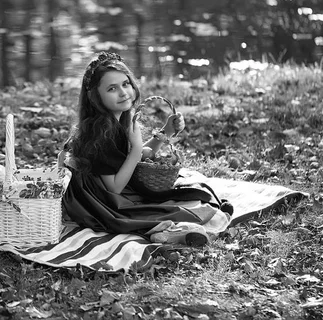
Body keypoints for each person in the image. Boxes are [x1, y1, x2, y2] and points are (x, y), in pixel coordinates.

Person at [59, 51, 232, 246]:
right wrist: (135, 150)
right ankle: (169, 232)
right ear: (95, 97)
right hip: (101, 203)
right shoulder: (100, 133)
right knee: (166, 209)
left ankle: (175, 229)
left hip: (112, 191)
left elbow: (135, 156)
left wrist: (166, 132)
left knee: (193, 192)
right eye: (112, 89)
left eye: (126, 84)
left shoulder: (119, 118)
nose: (123, 92)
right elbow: (114, 187)